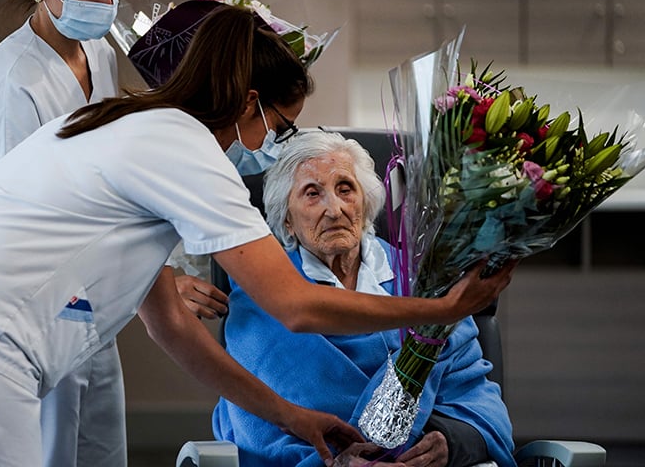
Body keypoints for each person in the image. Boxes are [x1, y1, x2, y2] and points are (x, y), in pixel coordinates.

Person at [0, 5, 514, 467]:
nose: (271, 147)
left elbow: (170, 326)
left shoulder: (122, 121)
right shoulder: (189, 150)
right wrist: (444, 309)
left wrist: (293, 419)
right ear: (249, 102)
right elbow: (297, 306)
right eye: (280, 127)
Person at [0, 0, 226, 466]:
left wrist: (154, 274)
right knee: (50, 449)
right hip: (32, 312)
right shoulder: (11, 79)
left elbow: (110, 190)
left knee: (100, 449)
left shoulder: (100, 54)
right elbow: (25, 229)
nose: (103, 0)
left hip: (89, 309)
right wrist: (151, 284)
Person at [213, 131, 516, 467]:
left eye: (345, 189)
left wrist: (450, 441)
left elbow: (478, 401)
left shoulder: (426, 283)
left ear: (365, 202)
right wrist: (332, 462)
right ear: (287, 219)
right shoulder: (262, 291)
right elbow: (254, 423)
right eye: (312, 194)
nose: (335, 209)